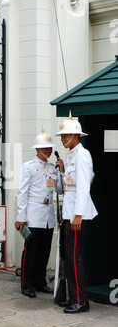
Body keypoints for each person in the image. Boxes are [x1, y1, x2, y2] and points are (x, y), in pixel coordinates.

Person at [55, 112, 97, 313]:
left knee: (75, 257)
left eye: (65, 135)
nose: (62, 139)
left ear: (75, 136)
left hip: (77, 213)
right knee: (70, 257)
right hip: (69, 212)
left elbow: (83, 188)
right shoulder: (71, 155)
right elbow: (70, 186)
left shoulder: (82, 155)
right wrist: (63, 171)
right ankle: (74, 297)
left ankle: (81, 300)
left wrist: (78, 214)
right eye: (62, 136)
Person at [15, 129, 62, 298]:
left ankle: (40, 282)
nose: (48, 150)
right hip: (33, 214)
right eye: (44, 147)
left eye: (49, 147)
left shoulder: (52, 167)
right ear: (37, 149)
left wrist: (61, 171)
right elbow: (22, 193)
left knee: (44, 250)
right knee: (31, 251)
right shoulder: (29, 167)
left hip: (48, 214)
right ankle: (27, 284)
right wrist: (21, 216)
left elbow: (59, 189)